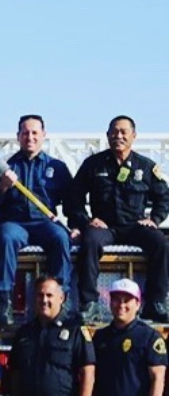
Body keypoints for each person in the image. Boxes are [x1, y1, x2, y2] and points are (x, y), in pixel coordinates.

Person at [70, 115, 169, 324]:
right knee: (90, 241)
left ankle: (156, 303)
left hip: (135, 226)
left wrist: (155, 219)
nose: (119, 136)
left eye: (124, 132)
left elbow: (164, 197)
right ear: (107, 135)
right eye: (114, 132)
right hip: (105, 227)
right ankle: (89, 304)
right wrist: (86, 220)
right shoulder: (93, 165)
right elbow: (73, 198)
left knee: (161, 242)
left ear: (134, 136)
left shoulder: (146, 166)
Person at [0, 115, 77, 327]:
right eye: (25, 133)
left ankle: (61, 300)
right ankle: (3, 304)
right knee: (6, 237)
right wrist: (3, 187)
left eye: (35, 132)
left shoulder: (57, 167)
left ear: (44, 135)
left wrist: (77, 225)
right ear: (18, 136)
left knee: (61, 238)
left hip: (45, 223)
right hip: (15, 223)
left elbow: (72, 202)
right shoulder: (4, 166)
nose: (30, 137)